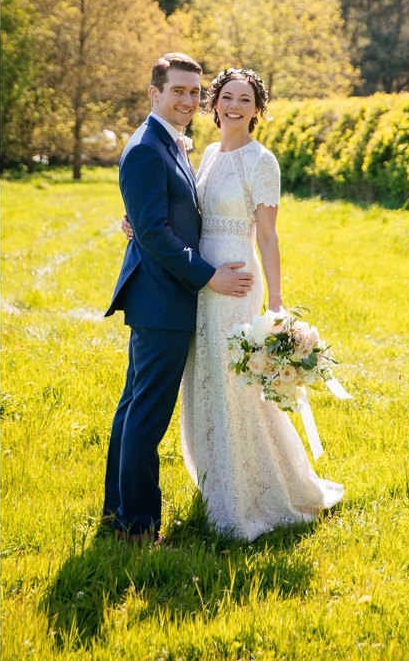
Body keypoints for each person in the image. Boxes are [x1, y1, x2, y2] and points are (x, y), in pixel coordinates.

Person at [121, 67, 343, 540]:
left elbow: (268, 235)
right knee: (206, 379)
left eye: (246, 100)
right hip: (199, 281)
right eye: (227, 98)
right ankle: (216, 483)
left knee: (237, 383)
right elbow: (179, 210)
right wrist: (137, 223)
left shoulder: (263, 162)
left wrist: (277, 304)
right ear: (214, 105)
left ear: (258, 110)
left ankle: (256, 491)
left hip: (236, 279)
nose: (235, 107)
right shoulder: (204, 154)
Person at [103, 52, 253, 542]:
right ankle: (138, 526)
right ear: (155, 94)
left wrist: (138, 224)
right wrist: (208, 276)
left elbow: (158, 217)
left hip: (160, 297)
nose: (188, 100)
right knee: (146, 417)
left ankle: (118, 511)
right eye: (178, 91)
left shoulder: (171, 144)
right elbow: (156, 232)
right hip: (163, 300)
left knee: (133, 407)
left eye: (194, 92)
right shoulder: (148, 147)